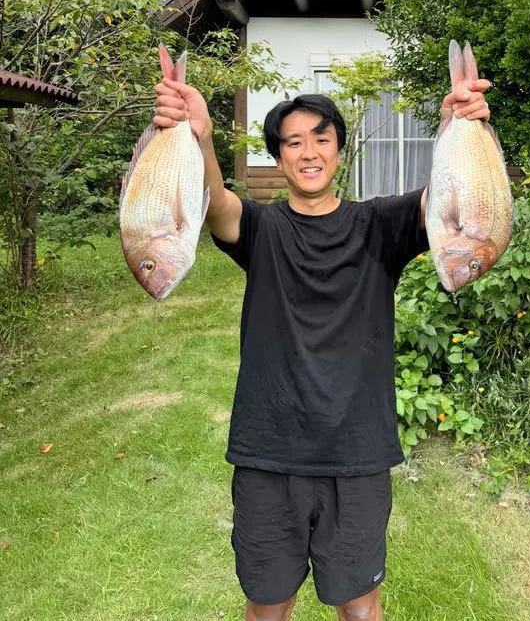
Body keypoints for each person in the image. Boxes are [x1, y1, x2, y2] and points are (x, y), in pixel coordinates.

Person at [152, 61, 491, 621]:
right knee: (267, 607)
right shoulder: (261, 230)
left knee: (359, 607)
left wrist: (456, 127)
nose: (308, 153)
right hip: (269, 452)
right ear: (278, 157)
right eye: (293, 143)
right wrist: (200, 136)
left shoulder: (380, 225)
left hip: (357, 453)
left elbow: (449, 201)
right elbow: (215, 204)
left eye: (321, 139)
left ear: (338, 149)